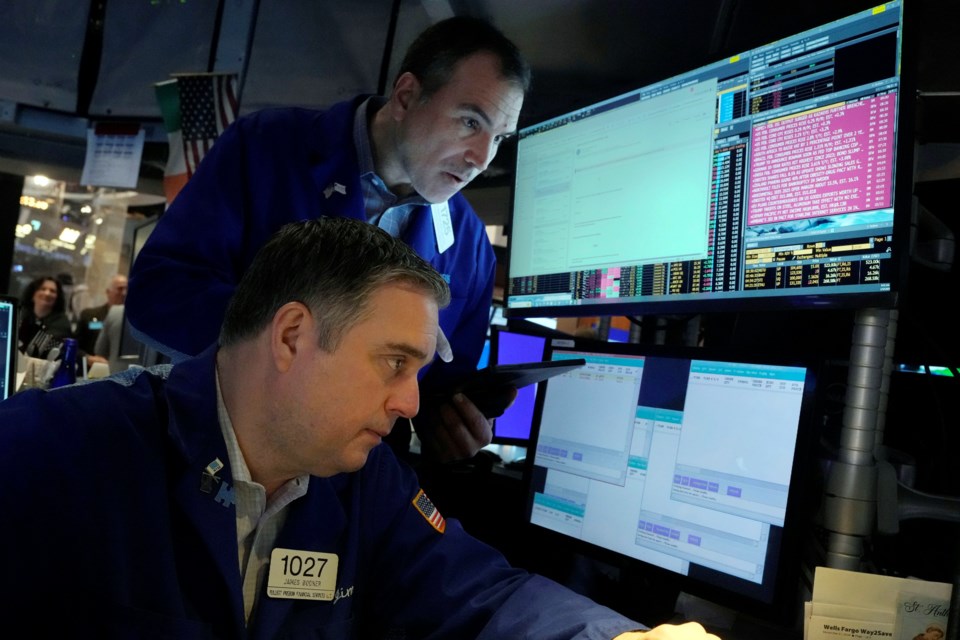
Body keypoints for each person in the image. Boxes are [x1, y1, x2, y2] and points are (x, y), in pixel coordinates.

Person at [0, 218, 720, 640]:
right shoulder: (57, 449)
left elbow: (482, 593)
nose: (412, 403)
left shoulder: (362, 483)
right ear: (290, 337)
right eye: (394, 362)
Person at [126, 16, 528, 462]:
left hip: (352, 498)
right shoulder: (265, 147)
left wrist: (454, 426)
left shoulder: (470, 246)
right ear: (407, 96)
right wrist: (304, 346)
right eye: (471, 122)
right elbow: (158, 296)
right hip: (212, 452)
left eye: (500, 139)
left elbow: (428, 395)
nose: (481, 159)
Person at [17, 275, 73, 358]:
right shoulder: (21, 314)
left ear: (57, 297)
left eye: (52, 291)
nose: (47, 293)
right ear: (33, 294)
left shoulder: (62, 324)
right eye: (43, 289)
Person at [75, 273, 128, 355]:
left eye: (127, 289)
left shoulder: (130, 321)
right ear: (108, 292)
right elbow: (75, 346)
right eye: (120, 289)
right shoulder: (89, 315)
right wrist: (88, 358)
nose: (124, 293)